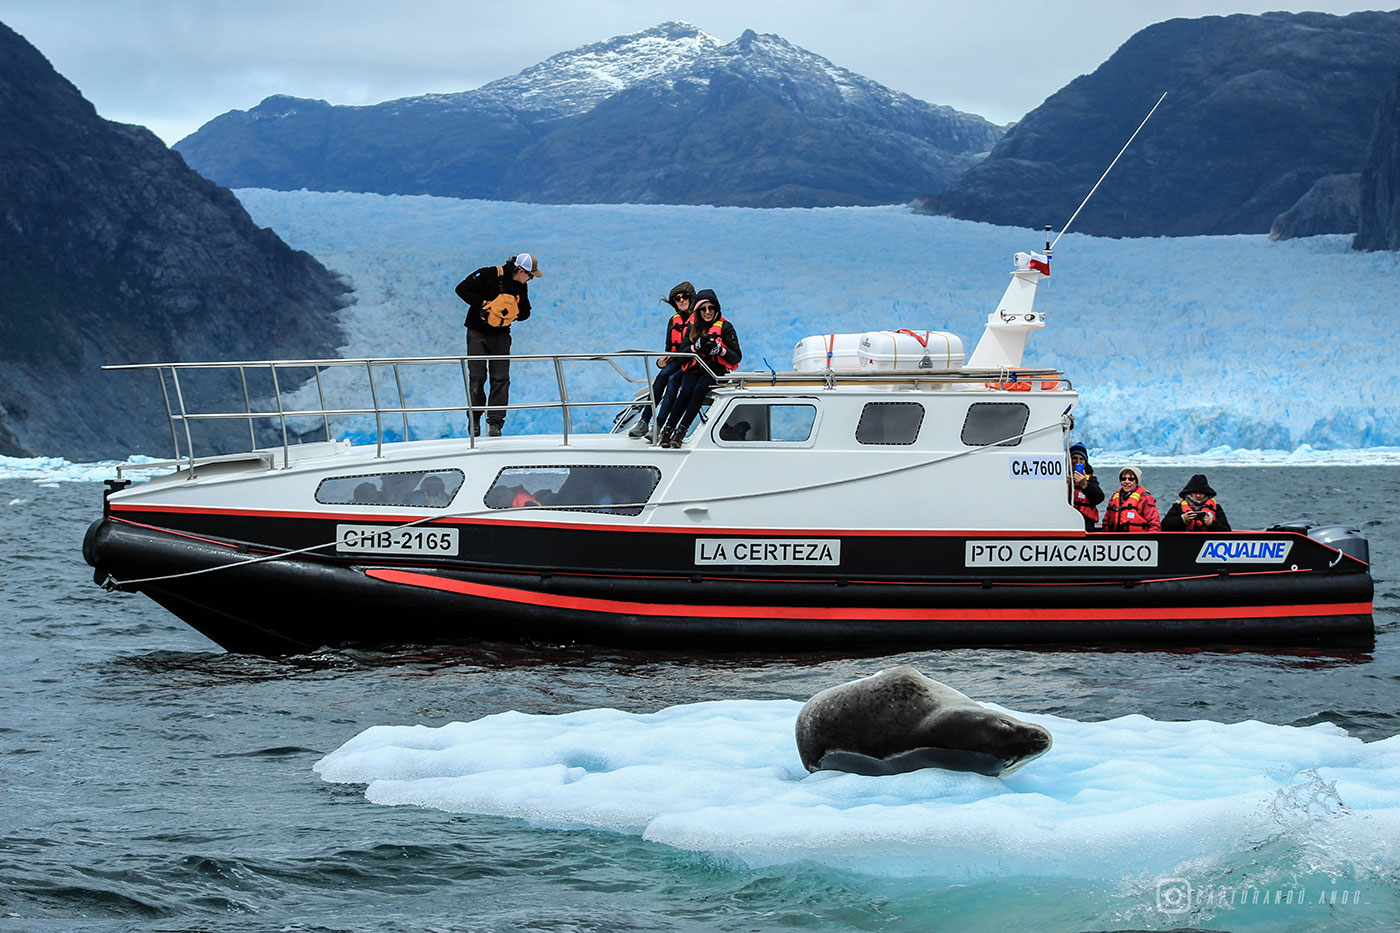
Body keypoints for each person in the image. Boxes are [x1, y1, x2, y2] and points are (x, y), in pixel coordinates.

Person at [455, 252, 542, 437]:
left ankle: (495, 423)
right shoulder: (488, 274)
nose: (530, 279)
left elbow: (526, 312)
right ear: (520, 270)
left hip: (501, 336)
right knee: (477, 377)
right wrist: (484, 303)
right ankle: (475, 418)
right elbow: (462, 289)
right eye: (530, 275)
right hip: (477, 333)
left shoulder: (520, 286)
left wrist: (512, 311)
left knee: (500, 379)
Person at [654, 289, 741, 448]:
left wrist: (720, 350)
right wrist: (696, 347)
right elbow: (682, 353)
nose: (707, 312)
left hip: (714, 370)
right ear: (698, 311)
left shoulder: (726, 327)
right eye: (703, 309)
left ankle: (681, 431)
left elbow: (736, 356)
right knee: (686, 390)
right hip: (695, 368)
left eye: (711, 308)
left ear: (716, 308)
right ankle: (667, 430)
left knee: (699, 389)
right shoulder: (692, 327)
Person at [629, 282, 695, 439]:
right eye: (677, 299)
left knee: (671, 379)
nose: (681, 300)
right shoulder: (674, 321)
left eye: (685, 296)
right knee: (662, 376)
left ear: (691, 298)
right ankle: (645, 421)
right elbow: (669, 348)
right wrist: (660, 362)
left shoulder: (700, 319)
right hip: (676, 362)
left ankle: (658, 425)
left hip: (692, 363)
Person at [1162, 474, 1232, 531]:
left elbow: (1227, 530)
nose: (1198, 495)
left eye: (1201, 493)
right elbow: (1164, 526)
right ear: (1189, 493)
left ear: (1206, 493)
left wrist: (1211, 524)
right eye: (1195, 492)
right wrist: (1182, 519)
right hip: (1183, 542)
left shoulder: (1216, 507)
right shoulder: (1178, 507)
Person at [1101, 466, 1161, 532]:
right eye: (1123, 479)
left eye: (1131, 479)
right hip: (1117, 538)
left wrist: (1151, 538)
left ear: (1136, 482)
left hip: (1138, 538)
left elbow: (1154, 523)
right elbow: (1106, 521)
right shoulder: (1114, 497)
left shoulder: (1145, 498)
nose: (1126, 482)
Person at [1068, 443, 1105, 531]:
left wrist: (1085, 485)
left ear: (1085, 463)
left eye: (1081, 459)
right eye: (1074, 458)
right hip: (1068, 521)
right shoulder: (1062, 478)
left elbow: (1099, 497)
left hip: (1086, 524)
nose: (1078, 461)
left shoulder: (1091, 480)